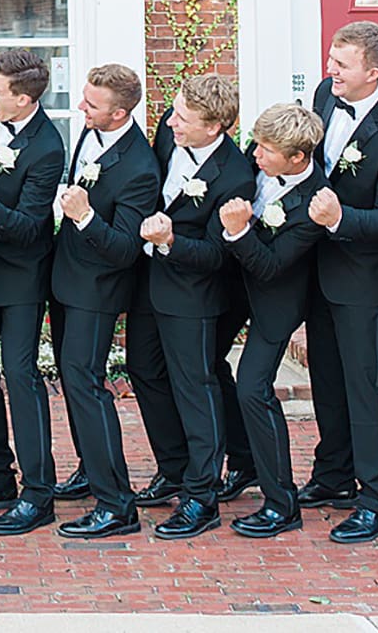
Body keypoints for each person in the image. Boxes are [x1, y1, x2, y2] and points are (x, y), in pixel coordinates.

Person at [301, 22, 378, 541]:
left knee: (368, 388)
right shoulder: (324, 96)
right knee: (327, 379)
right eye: (330, 57)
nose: (330, 69)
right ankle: (333, 474)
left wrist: (338, 220)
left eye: (341, 63)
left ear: (372, 73)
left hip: (367, 281)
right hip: (318, 271)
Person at [130, 74, 254, 539]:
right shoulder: (170, 131)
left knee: (194, 386)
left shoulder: (236, 176)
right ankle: (175, 468)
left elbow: (219, 255)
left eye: (184, 118)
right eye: (175, 111)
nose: (172, 121)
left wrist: (171, 241)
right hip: (150, 282)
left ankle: (202, 496)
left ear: (217, 126)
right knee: (143, 368)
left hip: (195, 293)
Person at [52, 63, 160, 539]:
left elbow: (125, 248)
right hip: (66, 280)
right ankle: (89, 468)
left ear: (119, 114)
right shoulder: (90, 133)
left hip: (98, 290)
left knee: (86, 385)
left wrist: (84, 215)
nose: (81, 108)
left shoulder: (139, 167)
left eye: (91, 105)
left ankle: (116, 503)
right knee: (72, 382)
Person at [0, 48, 64, 536]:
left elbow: (28, 227)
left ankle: (38, 492)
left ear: (23, 99)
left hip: (22, 276)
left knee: (20, 374)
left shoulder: (48, 147)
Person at [216, 103, 325, 538]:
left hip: (276, 300)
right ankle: (242, 462)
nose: (254, 154)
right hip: (232, 287)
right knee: (204, 361)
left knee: (253, 388)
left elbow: (272, 267)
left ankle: (282, 502)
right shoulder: (257, 157)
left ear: (296, 158)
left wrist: (239, 230)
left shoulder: (312, 204)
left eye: (265, 150)